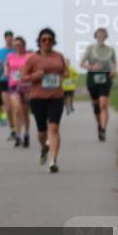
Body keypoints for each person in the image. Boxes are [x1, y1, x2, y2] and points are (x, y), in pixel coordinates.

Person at [23, 28, 68, 172]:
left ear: (53, 41)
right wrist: (35, 76)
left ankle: (53, 161)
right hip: (38, 98)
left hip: (56, 96)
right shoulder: (32, 58)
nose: (47, 42)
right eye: (44, 39)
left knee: (54, 128)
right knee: (42, 133)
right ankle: (44, 147)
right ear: (39, 42)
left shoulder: (59, 56)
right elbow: (23, 77)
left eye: (50, 39)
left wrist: (64, 74)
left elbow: (64, 71)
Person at [81, 28, 118, 141]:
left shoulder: (110, 49)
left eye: (103, 34)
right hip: (93, 77)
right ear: (96, 36)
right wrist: (92, 67)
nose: (101, 36)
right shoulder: (90, 48)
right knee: (96, 105)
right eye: (99, 34)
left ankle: (103, 129)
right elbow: (82, 63)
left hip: (106, 77)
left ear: (106, 36)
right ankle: (99, 124)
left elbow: (114, 61)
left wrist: (114, 70)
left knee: (103, 104)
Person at [6, 36, 32, 148]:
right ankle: (18, 135)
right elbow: (7, 66)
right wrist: (7, 73)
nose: (17, 47)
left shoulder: (29, 56)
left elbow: (33, 68)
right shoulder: (10, 56)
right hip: (13, 86)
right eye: (15, 45)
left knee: (25, 112)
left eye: (19, 45)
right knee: (17, 109)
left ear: (23, 45)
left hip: (26, 86)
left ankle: (26, 134)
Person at [0, 30, 16, 136]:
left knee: (16, 107)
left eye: (11, 37)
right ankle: (11, 126)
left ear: (13, 38)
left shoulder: (16, 50)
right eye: (7, 37)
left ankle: (16, 128)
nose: (9, 39)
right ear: (5, 39)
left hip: (15, 82)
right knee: (8, 106)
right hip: (3, 80)